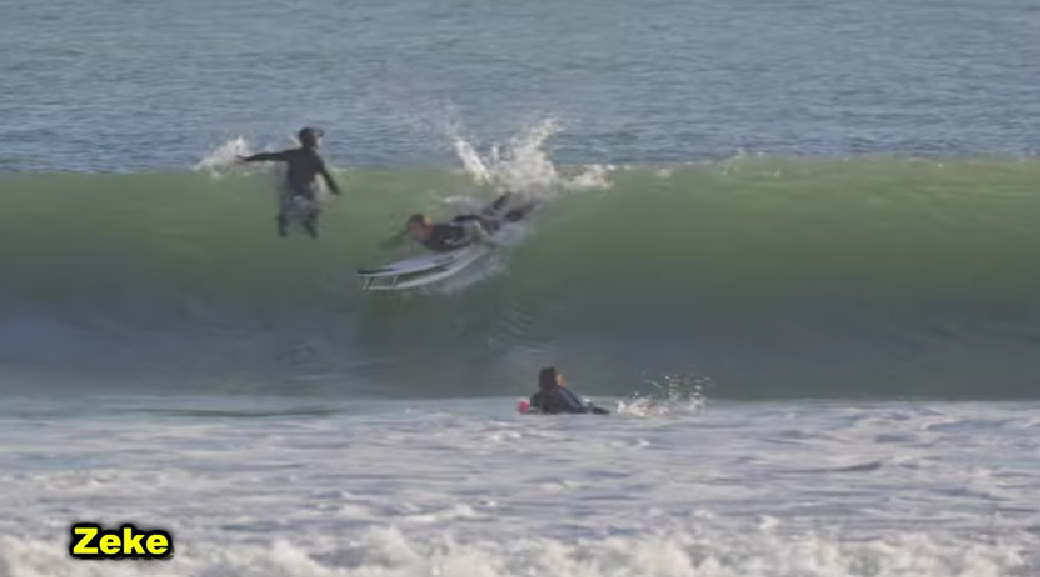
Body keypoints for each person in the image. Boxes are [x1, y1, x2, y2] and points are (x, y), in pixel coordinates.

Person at [237, 126, 341, 238]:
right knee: (314, 211)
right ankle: (308, 226)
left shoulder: (292, 154)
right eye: (319, 139)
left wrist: (247, 159)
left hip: (290, 188)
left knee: (285, 210)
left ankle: (283, 229)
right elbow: (327, 177)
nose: (320, 141)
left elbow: (268, 156)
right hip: (307, 191)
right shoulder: (316, 158)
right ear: (314, 142)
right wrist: (335, 190)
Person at [382, 192, 536, 253]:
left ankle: (531, 203)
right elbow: (402, 236)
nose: (411, 232)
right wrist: (389, 243)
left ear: (425, 228)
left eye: (414, 229)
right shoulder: (418, 234)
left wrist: (486, 242)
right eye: (410, 228)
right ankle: (508, 194)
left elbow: (473, 227)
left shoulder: (441, 232)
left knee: (501, 221)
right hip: (461, 221)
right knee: (489, 211)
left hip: (471, 224)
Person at [526, 366, 609, 415]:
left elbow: (535, 409)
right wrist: (590, 408)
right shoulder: (561, 391)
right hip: (576, 413)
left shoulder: (536, 396)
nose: (562, 377)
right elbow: (576, 409)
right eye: (559, 376)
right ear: (555, 379)